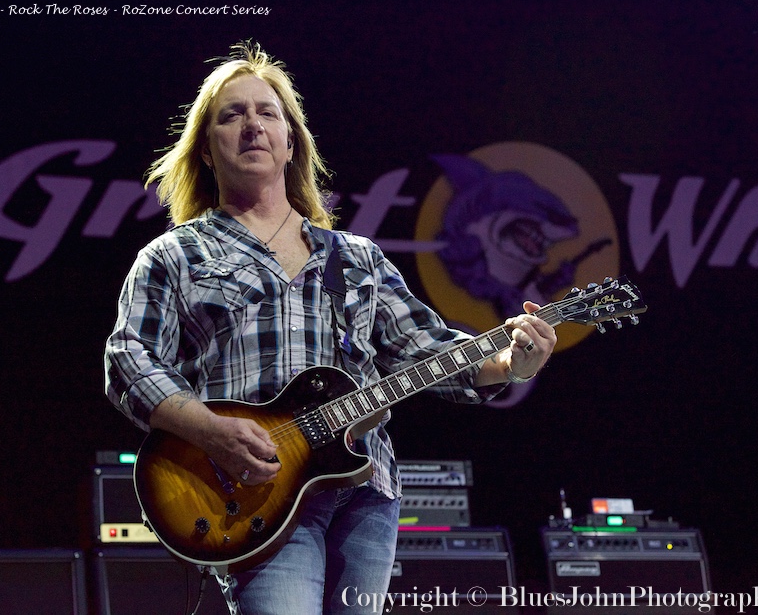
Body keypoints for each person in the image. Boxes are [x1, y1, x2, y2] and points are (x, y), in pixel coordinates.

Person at [103, 41, 557, 615]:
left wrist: (509, 363)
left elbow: (431, 350)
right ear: (207, 151)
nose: (252, 126)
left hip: (364, 493)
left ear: (291, 143)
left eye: (268, 113)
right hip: (254, 492)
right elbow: (127, 359)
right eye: (231, 115)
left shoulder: (356, 257)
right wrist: (211, 430)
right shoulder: (174, 256)